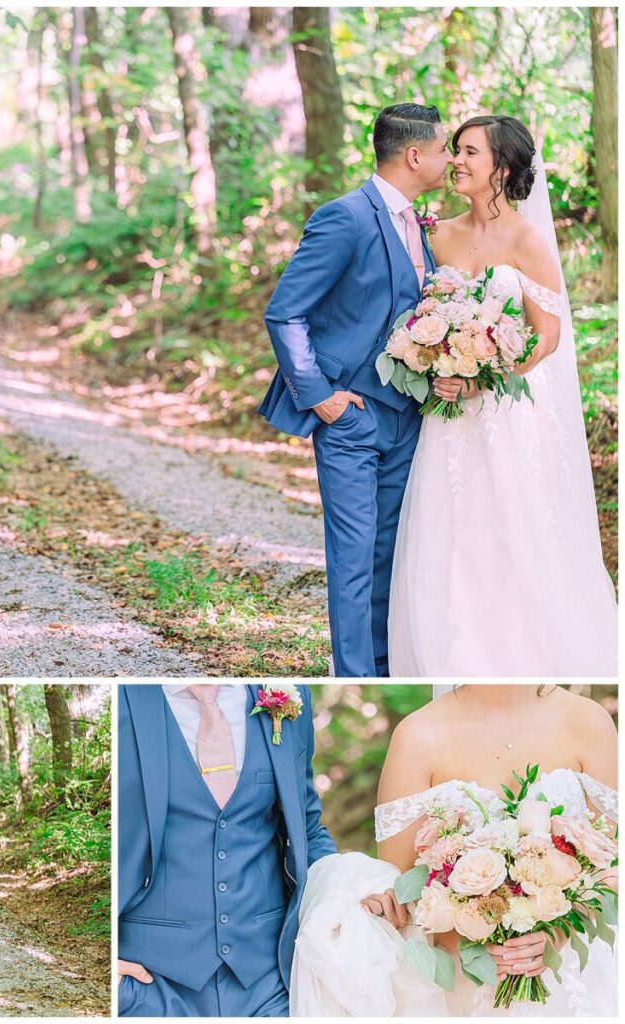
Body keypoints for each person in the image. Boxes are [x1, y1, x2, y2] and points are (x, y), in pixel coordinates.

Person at [389, 114, 617, 675]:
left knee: (514, 532)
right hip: (446, 418)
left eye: (469, 152)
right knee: (450, 541)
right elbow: (417, 314)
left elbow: (548, 332)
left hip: (506, 413)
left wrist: (484, 373)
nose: (457, 162)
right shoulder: (436, 232)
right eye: (456, 151)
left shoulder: (527, 239)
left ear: (503, 167)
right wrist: (431, 359)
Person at [259, 103, 451, 677]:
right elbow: (284, 312)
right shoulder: (344, 217)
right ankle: (353, 676)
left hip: (409, 415)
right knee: (354, 558)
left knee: (391, 556)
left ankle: (386, 668)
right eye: (443, 149)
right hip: (350, 417)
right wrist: (321, 397)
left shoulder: (420, 223)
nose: (448, 160)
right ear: (414, 155)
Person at [291, 684, 618, 1016]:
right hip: (463, 985)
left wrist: (558, 932)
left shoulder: (590, 722)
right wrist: (471, 937)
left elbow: (613, 864)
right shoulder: (416, 736)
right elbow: (400, 891)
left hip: (576, 982)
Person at [118, 684, 356, 1016]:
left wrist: (353, 891)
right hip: (150, 986)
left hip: (270, 984)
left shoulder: (288, 694)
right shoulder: (123, 698)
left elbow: (308, 829)